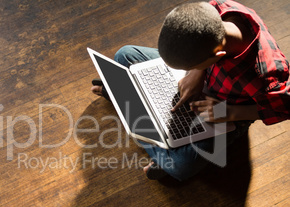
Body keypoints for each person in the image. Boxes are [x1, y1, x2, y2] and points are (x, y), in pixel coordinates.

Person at [90, 0, 289, 181]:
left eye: (199, 63)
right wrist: (197, 70)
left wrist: (230, 112)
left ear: (218, 54)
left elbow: (285, 107)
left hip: (226, 110)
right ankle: (131, 103)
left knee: (180, 167)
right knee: (125, 54)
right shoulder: (216, 10)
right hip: (202, 75)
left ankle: (127, 101)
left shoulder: (267, 75)